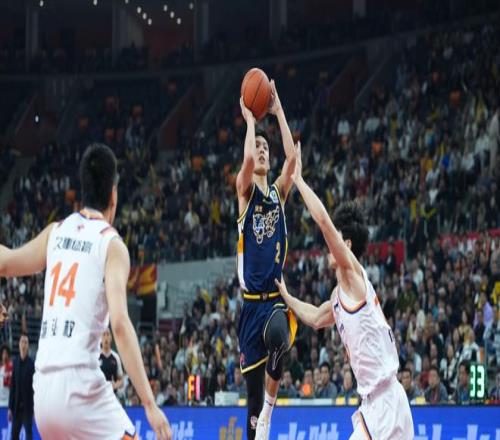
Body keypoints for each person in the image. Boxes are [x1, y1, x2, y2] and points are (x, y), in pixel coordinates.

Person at [0, 144, 171, 440]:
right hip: (80, 391)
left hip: (43, 395)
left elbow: (5, 263)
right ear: (114, 194)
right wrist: (149, 403)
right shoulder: (111, 244)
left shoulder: (55, 232)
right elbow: (120, 324)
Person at [275, 144, 414, 438]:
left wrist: (298, 180)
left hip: (386, 401)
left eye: (336, 239)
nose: (328, 246)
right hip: (375, 403)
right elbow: (315, 317)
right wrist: (286, 296)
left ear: (346, 244)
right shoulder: (339, 296)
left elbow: (324, 223)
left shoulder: (353, 275)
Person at [236, 83, 298, 440]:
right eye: (257, 146)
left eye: (265, 148)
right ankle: (260, 422)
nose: (260, 151)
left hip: (274, 300)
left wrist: (278, 111)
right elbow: (246, 163)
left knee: (279, 337)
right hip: (249, 307)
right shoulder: (244, 193)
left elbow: (293, 161)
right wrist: (250, 122)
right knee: (252, 403)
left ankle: (269, 417)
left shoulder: (277, 194)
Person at [8, 334, 35, 440]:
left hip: (28, 408)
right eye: (22, 342)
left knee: (29, 435)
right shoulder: (15, 363)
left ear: (28, 346)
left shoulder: (32, 364)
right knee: (14, 436)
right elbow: (12, 386)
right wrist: (10, 407)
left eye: (26, 342)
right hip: (16, 408)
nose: (24, 344)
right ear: (19, 344)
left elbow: (34, 389)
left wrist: (34, 408)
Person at [100, 328, 124, 394]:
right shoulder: (96, 356)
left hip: (112, 395)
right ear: (100, 339)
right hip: (98, 395)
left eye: (108, 334)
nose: (106, 337)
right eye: (104, 335)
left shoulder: (116, 357)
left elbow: (121, 381)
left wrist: (114, 386)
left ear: (111, 338)